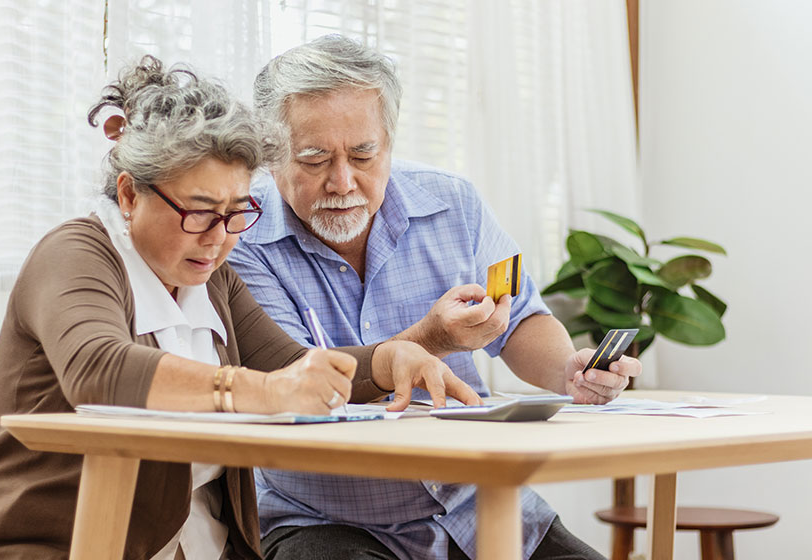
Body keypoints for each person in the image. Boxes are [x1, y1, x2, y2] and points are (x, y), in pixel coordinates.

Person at [0, 55, 479, 560]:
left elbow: (290, 367)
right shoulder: (76, 254)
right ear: (129, 194)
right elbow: (98, 368)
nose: (218, 239)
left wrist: (390, 361)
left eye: (236, 212)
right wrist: (261, 390)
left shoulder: (210, 278)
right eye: (198, 212)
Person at [228, 35, 642, 560]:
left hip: (477, 504)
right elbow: (295, 384)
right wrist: (432, 339)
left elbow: (519, 319)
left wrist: (569, 371)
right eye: (313, 158)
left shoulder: (454, 203)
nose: (342, 180)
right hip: (329, 518)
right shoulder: (240, 239)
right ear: (270, 156)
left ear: (390, 142)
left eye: (363, 153)